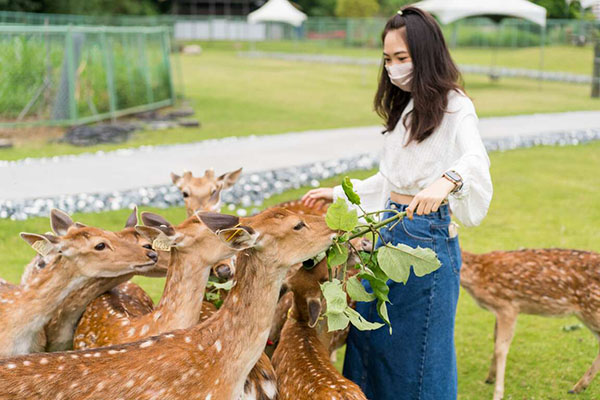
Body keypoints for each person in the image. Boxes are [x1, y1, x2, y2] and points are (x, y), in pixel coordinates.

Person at [301, 7, 493, 400]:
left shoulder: (456, 106)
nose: (393, 67)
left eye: (401, 58)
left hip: (427, 235)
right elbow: (393, 178)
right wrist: (339, 193)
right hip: (387, 227)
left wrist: (447, 180)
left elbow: (474, 160)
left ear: (426, 55)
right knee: (371, 343)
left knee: (418, 355)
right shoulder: (407, 109)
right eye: (388, 59)